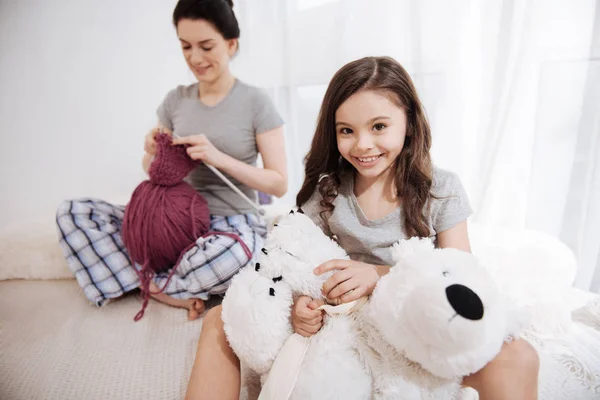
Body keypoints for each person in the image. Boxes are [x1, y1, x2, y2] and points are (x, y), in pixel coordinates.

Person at [292, 56, 540, 400]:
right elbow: (299, 265)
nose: (362, 144)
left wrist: (377, 275)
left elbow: (459, 277)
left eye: (379, 127)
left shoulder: (441, 189)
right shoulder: (326, 194)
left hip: (419, 321)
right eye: (347, 130)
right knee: (218, 322)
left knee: (519, 355)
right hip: (352, 327)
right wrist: (302, 304)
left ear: (408, 123)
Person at [56, 0, 287, 322]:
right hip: (171, 218)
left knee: (232, 257)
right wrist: (150, 149)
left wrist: (218, 158)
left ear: (231, 44)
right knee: (74, 213)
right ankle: (167, 282)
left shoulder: (256, 102)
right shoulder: (175, 100)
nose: (195, 58)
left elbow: (278, 183)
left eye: (206, 46)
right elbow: (153, 172)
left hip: (228, 222)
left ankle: (152, 281)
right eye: (186, 46)